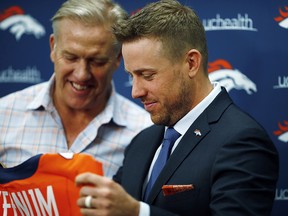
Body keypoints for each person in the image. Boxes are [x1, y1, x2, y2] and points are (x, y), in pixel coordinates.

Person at [75, 0, 279, 215]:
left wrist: (138, 213)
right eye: (131, 76)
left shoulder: (243, 141)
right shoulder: (141, 143)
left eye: (147, 75)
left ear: (191, 63)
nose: (135, 91)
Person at [0, 0, 152, 178]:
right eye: (71, 57)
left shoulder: (145, 133)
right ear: (53, 47)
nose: (81, 74)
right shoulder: (4, 116)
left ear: (119, 57)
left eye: (97, 61)